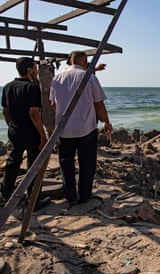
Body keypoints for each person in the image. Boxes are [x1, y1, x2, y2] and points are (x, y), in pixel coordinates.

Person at [49, 51, 112, 205]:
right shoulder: (89, 77)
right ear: (85, 62)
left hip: (64, 130)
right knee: (87, 164)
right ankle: (84, 195)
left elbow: (53, 104)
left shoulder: (57, 78)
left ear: (70, 60)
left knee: (66, 164)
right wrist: (107, 121)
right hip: (86, 129)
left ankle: (70, 196)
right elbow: (99, 104)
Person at [1, 57, 50, 209]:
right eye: (35, 68)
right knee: (34, 165)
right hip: (31, 133)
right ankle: (33, 200)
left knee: (13, 161)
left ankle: (5, 193)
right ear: (29, 70)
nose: (36, 71)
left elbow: (5, 111)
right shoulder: (32, 87)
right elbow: (34, 113)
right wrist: (43, 136)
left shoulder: (8, 86)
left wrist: (11, 125)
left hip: (15, 131)